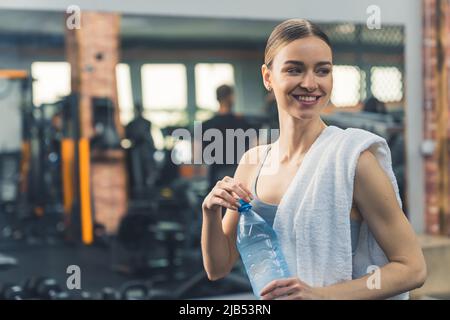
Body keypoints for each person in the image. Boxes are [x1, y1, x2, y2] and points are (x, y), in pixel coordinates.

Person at [200, 19, 426, 300]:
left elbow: (412, 268)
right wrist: (210, 212)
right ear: (268, 77)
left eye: (322, 70)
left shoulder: (354, 160)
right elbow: (218, 268)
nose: (310, 84)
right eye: (294, 69)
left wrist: (323, 295)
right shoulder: (252, 163)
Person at [200, 84, 253, 190]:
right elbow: (251, 151)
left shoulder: (206, 125)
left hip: (215, 178)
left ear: (217, 98)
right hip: (238, 175)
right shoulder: (243, 123)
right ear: (231, 97)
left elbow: (202, 156)